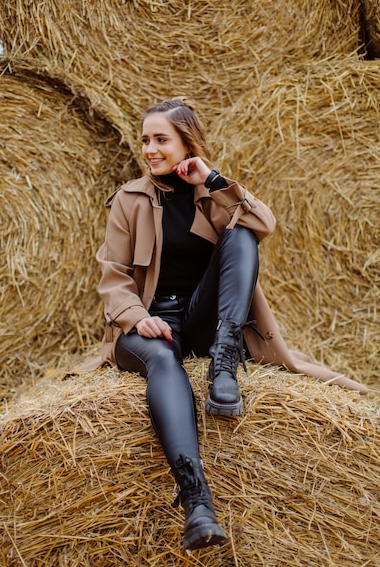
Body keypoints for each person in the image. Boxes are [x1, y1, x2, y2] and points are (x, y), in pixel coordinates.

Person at [94, 97, 368, 552]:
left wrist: (214, 181)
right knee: (164, 362)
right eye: (146, 140)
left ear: (188, 144)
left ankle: (224, 364)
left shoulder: (212, 194)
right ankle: (197, 501)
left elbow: (263, 224)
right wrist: (139, 320)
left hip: (202, 321)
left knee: (240, 234)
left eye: (161, 139)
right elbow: (113, 277)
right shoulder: (129, 200)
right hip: (147, 326)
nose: (150, 149)